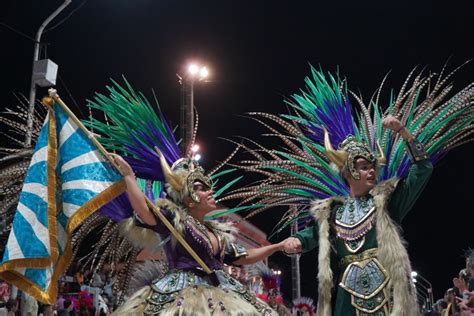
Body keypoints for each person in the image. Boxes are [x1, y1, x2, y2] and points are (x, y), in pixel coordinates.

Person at [282, 115, 432, 315]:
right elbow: (314, 234)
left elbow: (423, 169)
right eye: (364, 167)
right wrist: (296, 240)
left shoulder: (386, 205)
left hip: (385, 290)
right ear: (349, 173)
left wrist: (402, 131)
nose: (371, 171)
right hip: (345, 297)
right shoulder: (334, 214)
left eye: (372, 167)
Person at [111, 152, 285, 315]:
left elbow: (244, 256)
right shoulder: (176, 221)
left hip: (222, 288)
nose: (210, 191)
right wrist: (128, 177)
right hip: (183, 293)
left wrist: (278, 246)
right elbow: (144, 212)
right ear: (189, 199)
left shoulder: (217, 233)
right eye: (202, 188)